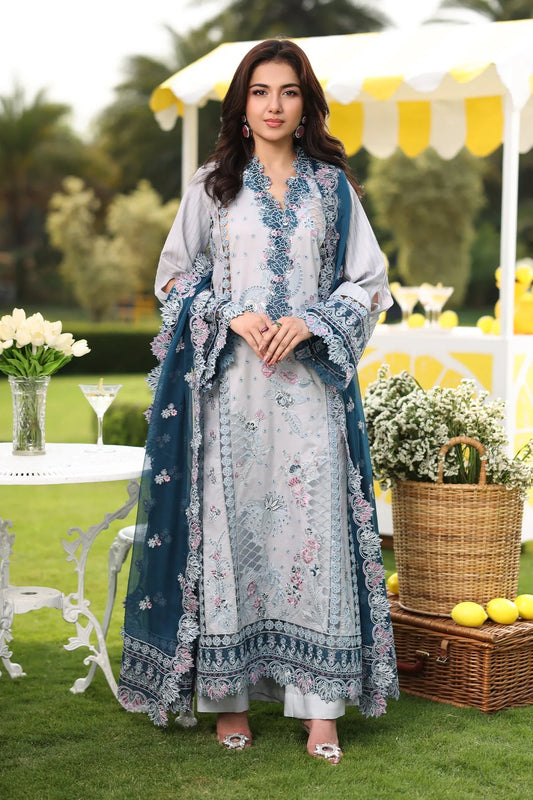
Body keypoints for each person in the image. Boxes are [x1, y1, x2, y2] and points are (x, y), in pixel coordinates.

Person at [118, 37, 398, 765]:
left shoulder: (332, 189)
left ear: (305, 105)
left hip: (309, 395)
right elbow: (174, 279)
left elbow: (368, 283)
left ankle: (320, 710)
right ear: (242, 107)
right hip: (229, 397)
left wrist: (312, 320)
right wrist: (230, 310)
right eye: (260, 92)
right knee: (231, 538)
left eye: (288, 92)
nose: (274, 106)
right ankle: (228, 698)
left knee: (313, 538)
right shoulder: (213, 186)